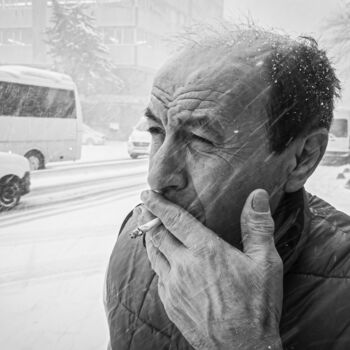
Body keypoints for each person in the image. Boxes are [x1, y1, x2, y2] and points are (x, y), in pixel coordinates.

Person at [104, 26, 350, 350]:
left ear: (302, 159)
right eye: (156, 129)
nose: (157, 175)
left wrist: (246, 341)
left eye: (201, 140)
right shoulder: (133, 237)